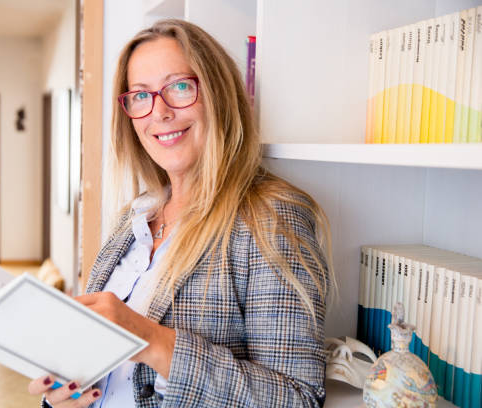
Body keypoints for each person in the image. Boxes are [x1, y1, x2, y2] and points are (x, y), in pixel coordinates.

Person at [28, 19, 335, 408]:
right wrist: (64, 396)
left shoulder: (270, 218)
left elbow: (297, 398)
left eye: (179, 87)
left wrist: (151, 339)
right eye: (140, 96)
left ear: (219, 95)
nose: (160, 112)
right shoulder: (134, 217)